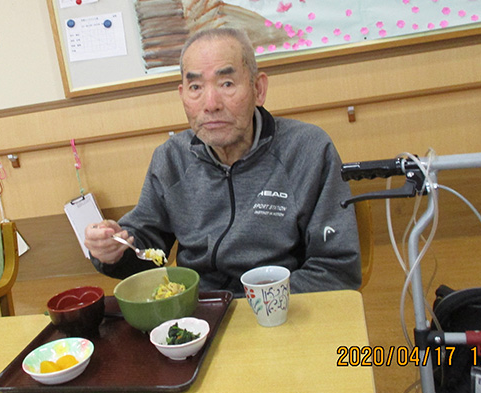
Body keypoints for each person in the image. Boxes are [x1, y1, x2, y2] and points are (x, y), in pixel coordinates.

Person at [85, 28, 361, 295]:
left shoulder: (308, 150)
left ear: (258, 89)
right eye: (195, 87)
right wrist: (115, 249)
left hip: (285, 311)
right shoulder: (171, 158)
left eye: (227, 83)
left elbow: (336, 268)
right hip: (199, 314)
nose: (211, 103)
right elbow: (144, 244)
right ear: (182, 96)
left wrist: (247, 306)